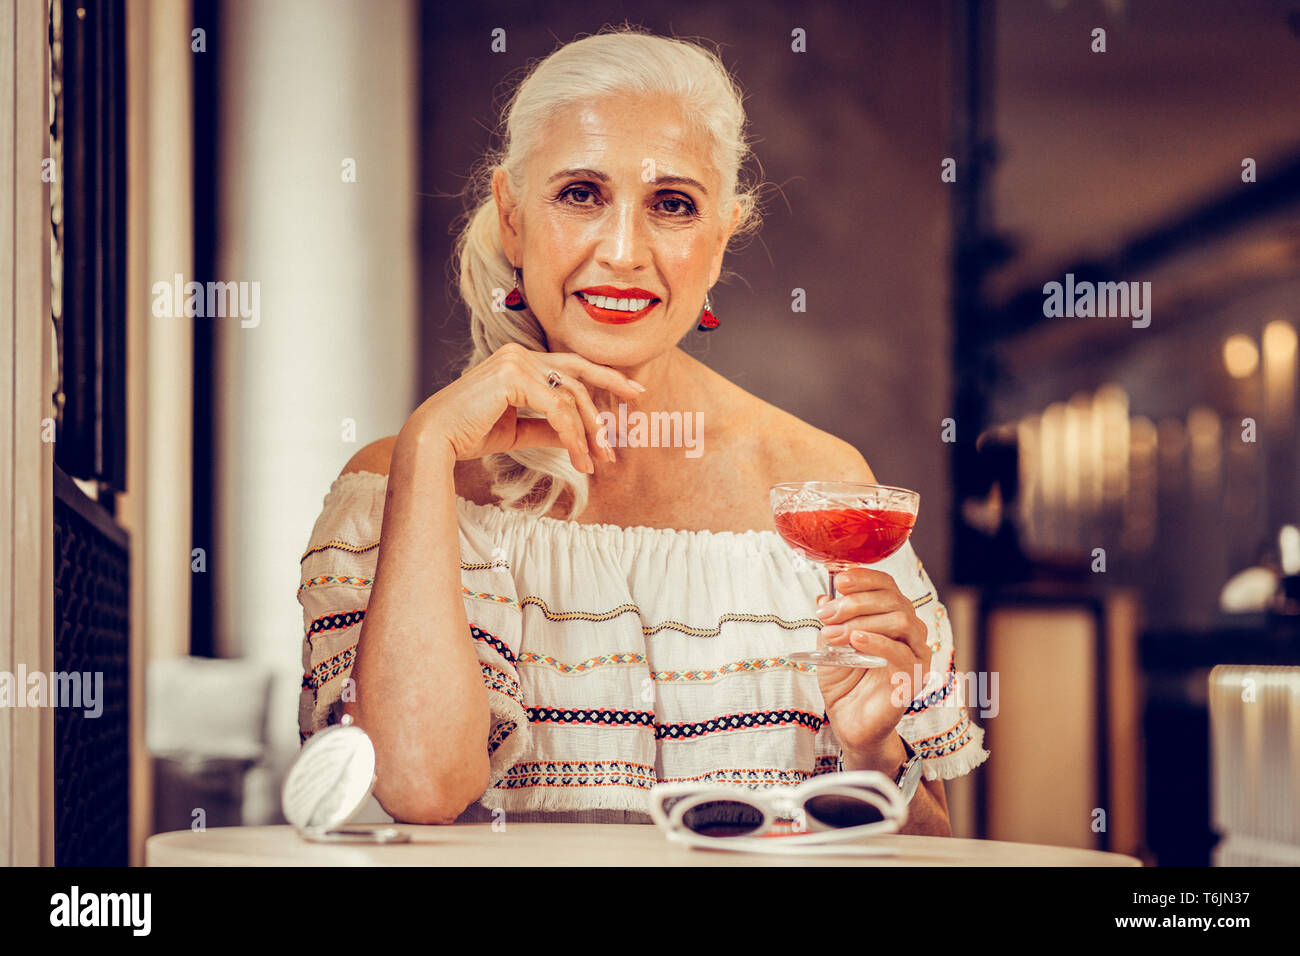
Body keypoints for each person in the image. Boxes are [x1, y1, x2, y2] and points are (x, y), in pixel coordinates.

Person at [297, 27, 988, 833]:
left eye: (672, 205)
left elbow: (936, 851)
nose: (623, 251)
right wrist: (427, 447)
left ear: (722, 238)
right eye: (580, 194)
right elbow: (417, 788)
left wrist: (875, 755)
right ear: (511, 220)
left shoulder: (821, 489)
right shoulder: (399, 486)